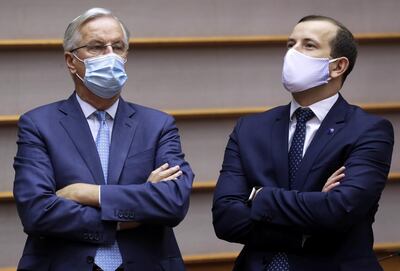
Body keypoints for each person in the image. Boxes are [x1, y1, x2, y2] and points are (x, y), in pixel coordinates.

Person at [13, 7, 193, 271]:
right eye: (97, 47)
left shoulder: (158, 125)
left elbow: (172, 202)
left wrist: (87, 193)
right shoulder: (38, 124)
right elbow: (37, 211)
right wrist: (131, 214)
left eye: (118, 47)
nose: (110, 56)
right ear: (71, 60)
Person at [212, 15, 394, 271]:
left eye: (308, 45)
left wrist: (259, 197)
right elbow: (226, 219)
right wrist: (306, 226)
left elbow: (339, 210)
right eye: (290, 44)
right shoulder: (250, 128)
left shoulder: (369, 130)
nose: (293, 53)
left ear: (337, 66)